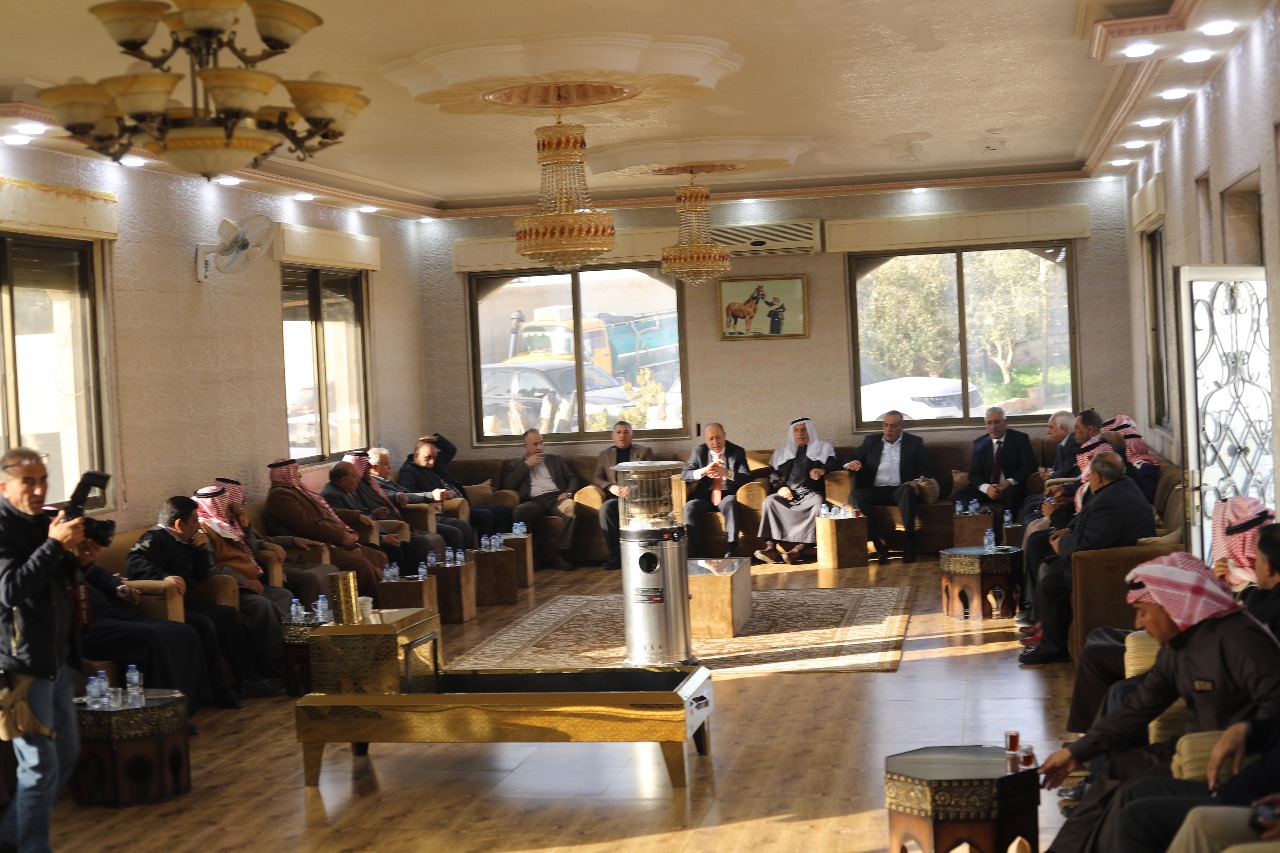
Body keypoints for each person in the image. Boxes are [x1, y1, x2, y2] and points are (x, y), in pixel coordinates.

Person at [1037, 551, 1280, 853]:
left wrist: (1247, 732)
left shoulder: (1239, 639)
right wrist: (1075, 753)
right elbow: (1139, 706)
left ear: (1172, 606)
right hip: (1187, 747)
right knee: (1116, 769)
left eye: (1142, 611)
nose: (1138, 623)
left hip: (1230, 759)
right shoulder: (1178, 646)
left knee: (1131, 792)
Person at [1065, 508, 1280, 738]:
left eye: (1256, 559)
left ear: (1267, 565)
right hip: (1195, 649)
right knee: (1100, 640)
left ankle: (1090, 746)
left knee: (1117, 684)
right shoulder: (1257, 593)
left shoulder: (1265, 601)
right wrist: (1227, 584)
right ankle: (1090, 745)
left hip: (1207, 666)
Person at [0, 448, 85, 851]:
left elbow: (48, 584)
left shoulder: (40, 523)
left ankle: (9, 837)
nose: (39, 490)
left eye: (43, 480)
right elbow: (10, 590)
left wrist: (79, 558)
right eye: (28, 482)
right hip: (20, 667)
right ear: (4, 486)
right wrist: (53, 545)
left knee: (65, 753)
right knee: (39, 766)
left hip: (54, 660)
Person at [126, 496, 284, 703]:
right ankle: (220, 691)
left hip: (191, 603)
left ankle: (250, 679)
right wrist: (164, 577)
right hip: (167, 609)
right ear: (179, 524)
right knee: (205, 624)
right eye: (194, 521)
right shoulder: (154, 538)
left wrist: (200, 551)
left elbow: (201, 576)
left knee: (227, 615)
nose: (198, 526)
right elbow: (133, 562)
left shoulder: (187, 540)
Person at [1020, 451, 1156, 665]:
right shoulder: (1121, 486)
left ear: (1098, 477)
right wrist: (1068, 531)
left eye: (1090, 475)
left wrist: (1061, 544)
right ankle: (1047, 634)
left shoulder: (1110, 501)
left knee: (1051, 584)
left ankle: (1052, 648)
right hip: (1107, 559)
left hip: (1108, 568)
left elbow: (1088, 544)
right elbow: (1093, 527)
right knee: (1051, 565)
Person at [264, 458, 384, 602]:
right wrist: (341, 536)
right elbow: (308, 525)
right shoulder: (280, 496)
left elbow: (327, 512)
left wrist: (357, 516)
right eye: (295, 471)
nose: (299, 474)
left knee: (378, 556)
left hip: (330, 542)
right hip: (314, 548)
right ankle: (370, 607)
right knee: (361, 566)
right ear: (285, 473)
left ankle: (387, 601)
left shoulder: (297, 491)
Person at [211, 477, 336, 606]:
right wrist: (258, 539)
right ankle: (314, 617)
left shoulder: (236, 522)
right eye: (238, 500)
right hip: (256, 570)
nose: (241, 504)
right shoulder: (215, 529)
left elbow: (259, 540)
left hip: (266, 565)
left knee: (330, 569)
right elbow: (251, 548)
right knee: (307, 579)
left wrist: (292, 540)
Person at [194, 483, 294, 617]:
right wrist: (243, 581)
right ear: (215, 506)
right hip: (234, 586)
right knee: (262, 605)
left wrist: (245, 527)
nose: (228, 507)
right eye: (224, 504)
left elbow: (251, 550)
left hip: (251, 579)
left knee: (284, 595)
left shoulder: (229, 525)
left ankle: (287, 628)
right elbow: (211, 569)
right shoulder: (205, 531)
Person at [845, 410, 929, 563]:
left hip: (900, 489)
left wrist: (916, 481)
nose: (888, 430)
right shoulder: (871, 441)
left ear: (902, 426)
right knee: (855, 495)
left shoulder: (914, 442)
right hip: (876, 490)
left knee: (907, 490)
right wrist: (851, 463)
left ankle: (909, 542)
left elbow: (926, 469)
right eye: (885, 425)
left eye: (893, 426)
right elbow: (850, 458)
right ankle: (876, 542)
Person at [755, 418, 837, 564]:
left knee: (819, 504)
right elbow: (773, 475)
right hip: (788, 493)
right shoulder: (782, 452)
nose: (800, 434)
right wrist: (780, 487)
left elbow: (833, 464)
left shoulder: (823, 448)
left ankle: (798, 550)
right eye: (796, 430)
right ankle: (770, 548)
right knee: (770, 501)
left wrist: (821, 470)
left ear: (810, 431)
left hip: (810, 493)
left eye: (804, 430)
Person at [397, 433, 513, 536]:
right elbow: (409, 495)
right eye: (428, 458)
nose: (432, 462)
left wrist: (437, 439)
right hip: (449, 507)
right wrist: (436, 495)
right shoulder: (408, 471)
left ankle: (502, 546)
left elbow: (451, 450)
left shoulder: (435, 462)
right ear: (416, 455)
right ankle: (486, 549)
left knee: (506, 510)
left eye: (434, 458)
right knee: (485, 515)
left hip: (464, 503)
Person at [501, 429, 580, 570]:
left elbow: (572, 478)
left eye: (541, 443)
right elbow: (509, 485)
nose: (539, 447)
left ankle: (560, 555)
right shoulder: (516, 466)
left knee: (571, 507)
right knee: (519, 512)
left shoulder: (555, 460)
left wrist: (568, 493)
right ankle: (533, 556)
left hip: (557, 498)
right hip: (535, 501)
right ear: (525, 446)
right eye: (535, 444)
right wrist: (527, 465)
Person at [682, 423, 752, 558]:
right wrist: (704, 471)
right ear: (705, 440)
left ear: (724, 436)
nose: (715, 442)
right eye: (711, 439)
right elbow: (685, 474)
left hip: (726, 494)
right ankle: (699, 551)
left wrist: (726, 473)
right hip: (705, 495)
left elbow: (747, 477)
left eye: (718, 437)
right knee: (689, 507)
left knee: (731, 504)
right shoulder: (699, 451)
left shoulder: (737, 452)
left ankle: (730, 550)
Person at [953, 406, 1038, 516]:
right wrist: (987, 488)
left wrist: (1009, 482)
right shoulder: (979, 443)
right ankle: (977, 522)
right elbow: (973, 474)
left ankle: (1006, 525)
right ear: (986, 425)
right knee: (959, 496)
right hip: (987, 488)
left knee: (1012, 494)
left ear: (1005, 422)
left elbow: (1030, 466)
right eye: (989, 423)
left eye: (997, 422)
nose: (993, 427)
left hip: (1009, 488)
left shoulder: (1020, 439)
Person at [591, 421, 653, 570]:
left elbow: (651, 476)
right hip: (616, 499)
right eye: (618, 432)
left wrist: (633, 488)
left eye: (626, 432)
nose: (622, 436)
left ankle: (645, 557)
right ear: (612, 436)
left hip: (639, 498)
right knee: (606, 509)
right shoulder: (605, 455)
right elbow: (596, 478)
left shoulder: (644, 452)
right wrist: (610, 487)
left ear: (632, 435)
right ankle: (616, 557)